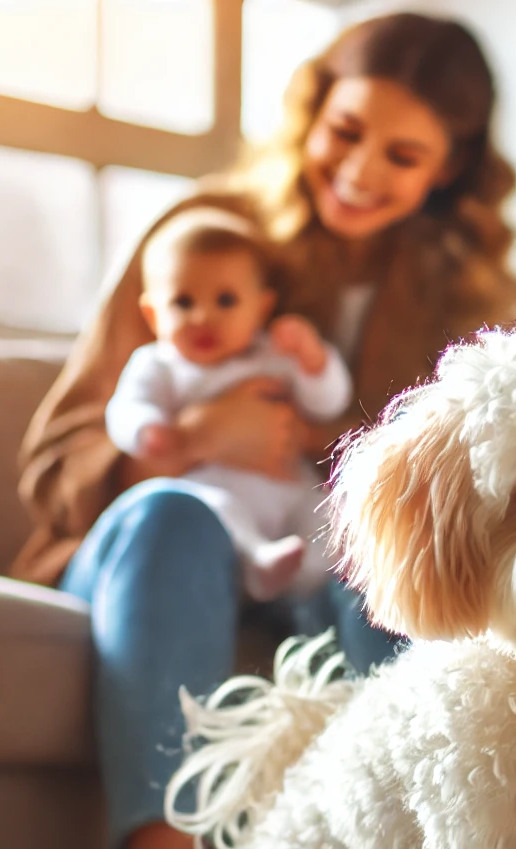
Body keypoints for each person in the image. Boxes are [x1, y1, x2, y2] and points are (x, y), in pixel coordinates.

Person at [13, 13, 516, 849]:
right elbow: (55, 464)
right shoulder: (202, 240)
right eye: (346, 133)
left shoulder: (465, 295)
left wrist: (318, 455)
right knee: (176, 516)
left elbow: (468, 485)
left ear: (447, 168)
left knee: (388, 546)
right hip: (158, 546)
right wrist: (199, 434)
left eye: (402, 157)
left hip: (314, 555)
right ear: (312, 112)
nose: (361, 172)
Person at [104, 207, 351, 601]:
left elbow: (326, 403)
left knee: (327, 511)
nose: (203, 316)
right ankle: (258, 559)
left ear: (262, 307)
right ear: (152, 314)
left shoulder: (273, 355)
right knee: (206, 506)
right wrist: (147, 430)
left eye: (225, 300)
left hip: (288, 488)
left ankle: (305, 583)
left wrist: (313, 359)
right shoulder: (160, 364)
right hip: (212, 487)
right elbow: (126, 407)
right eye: (183, 302)